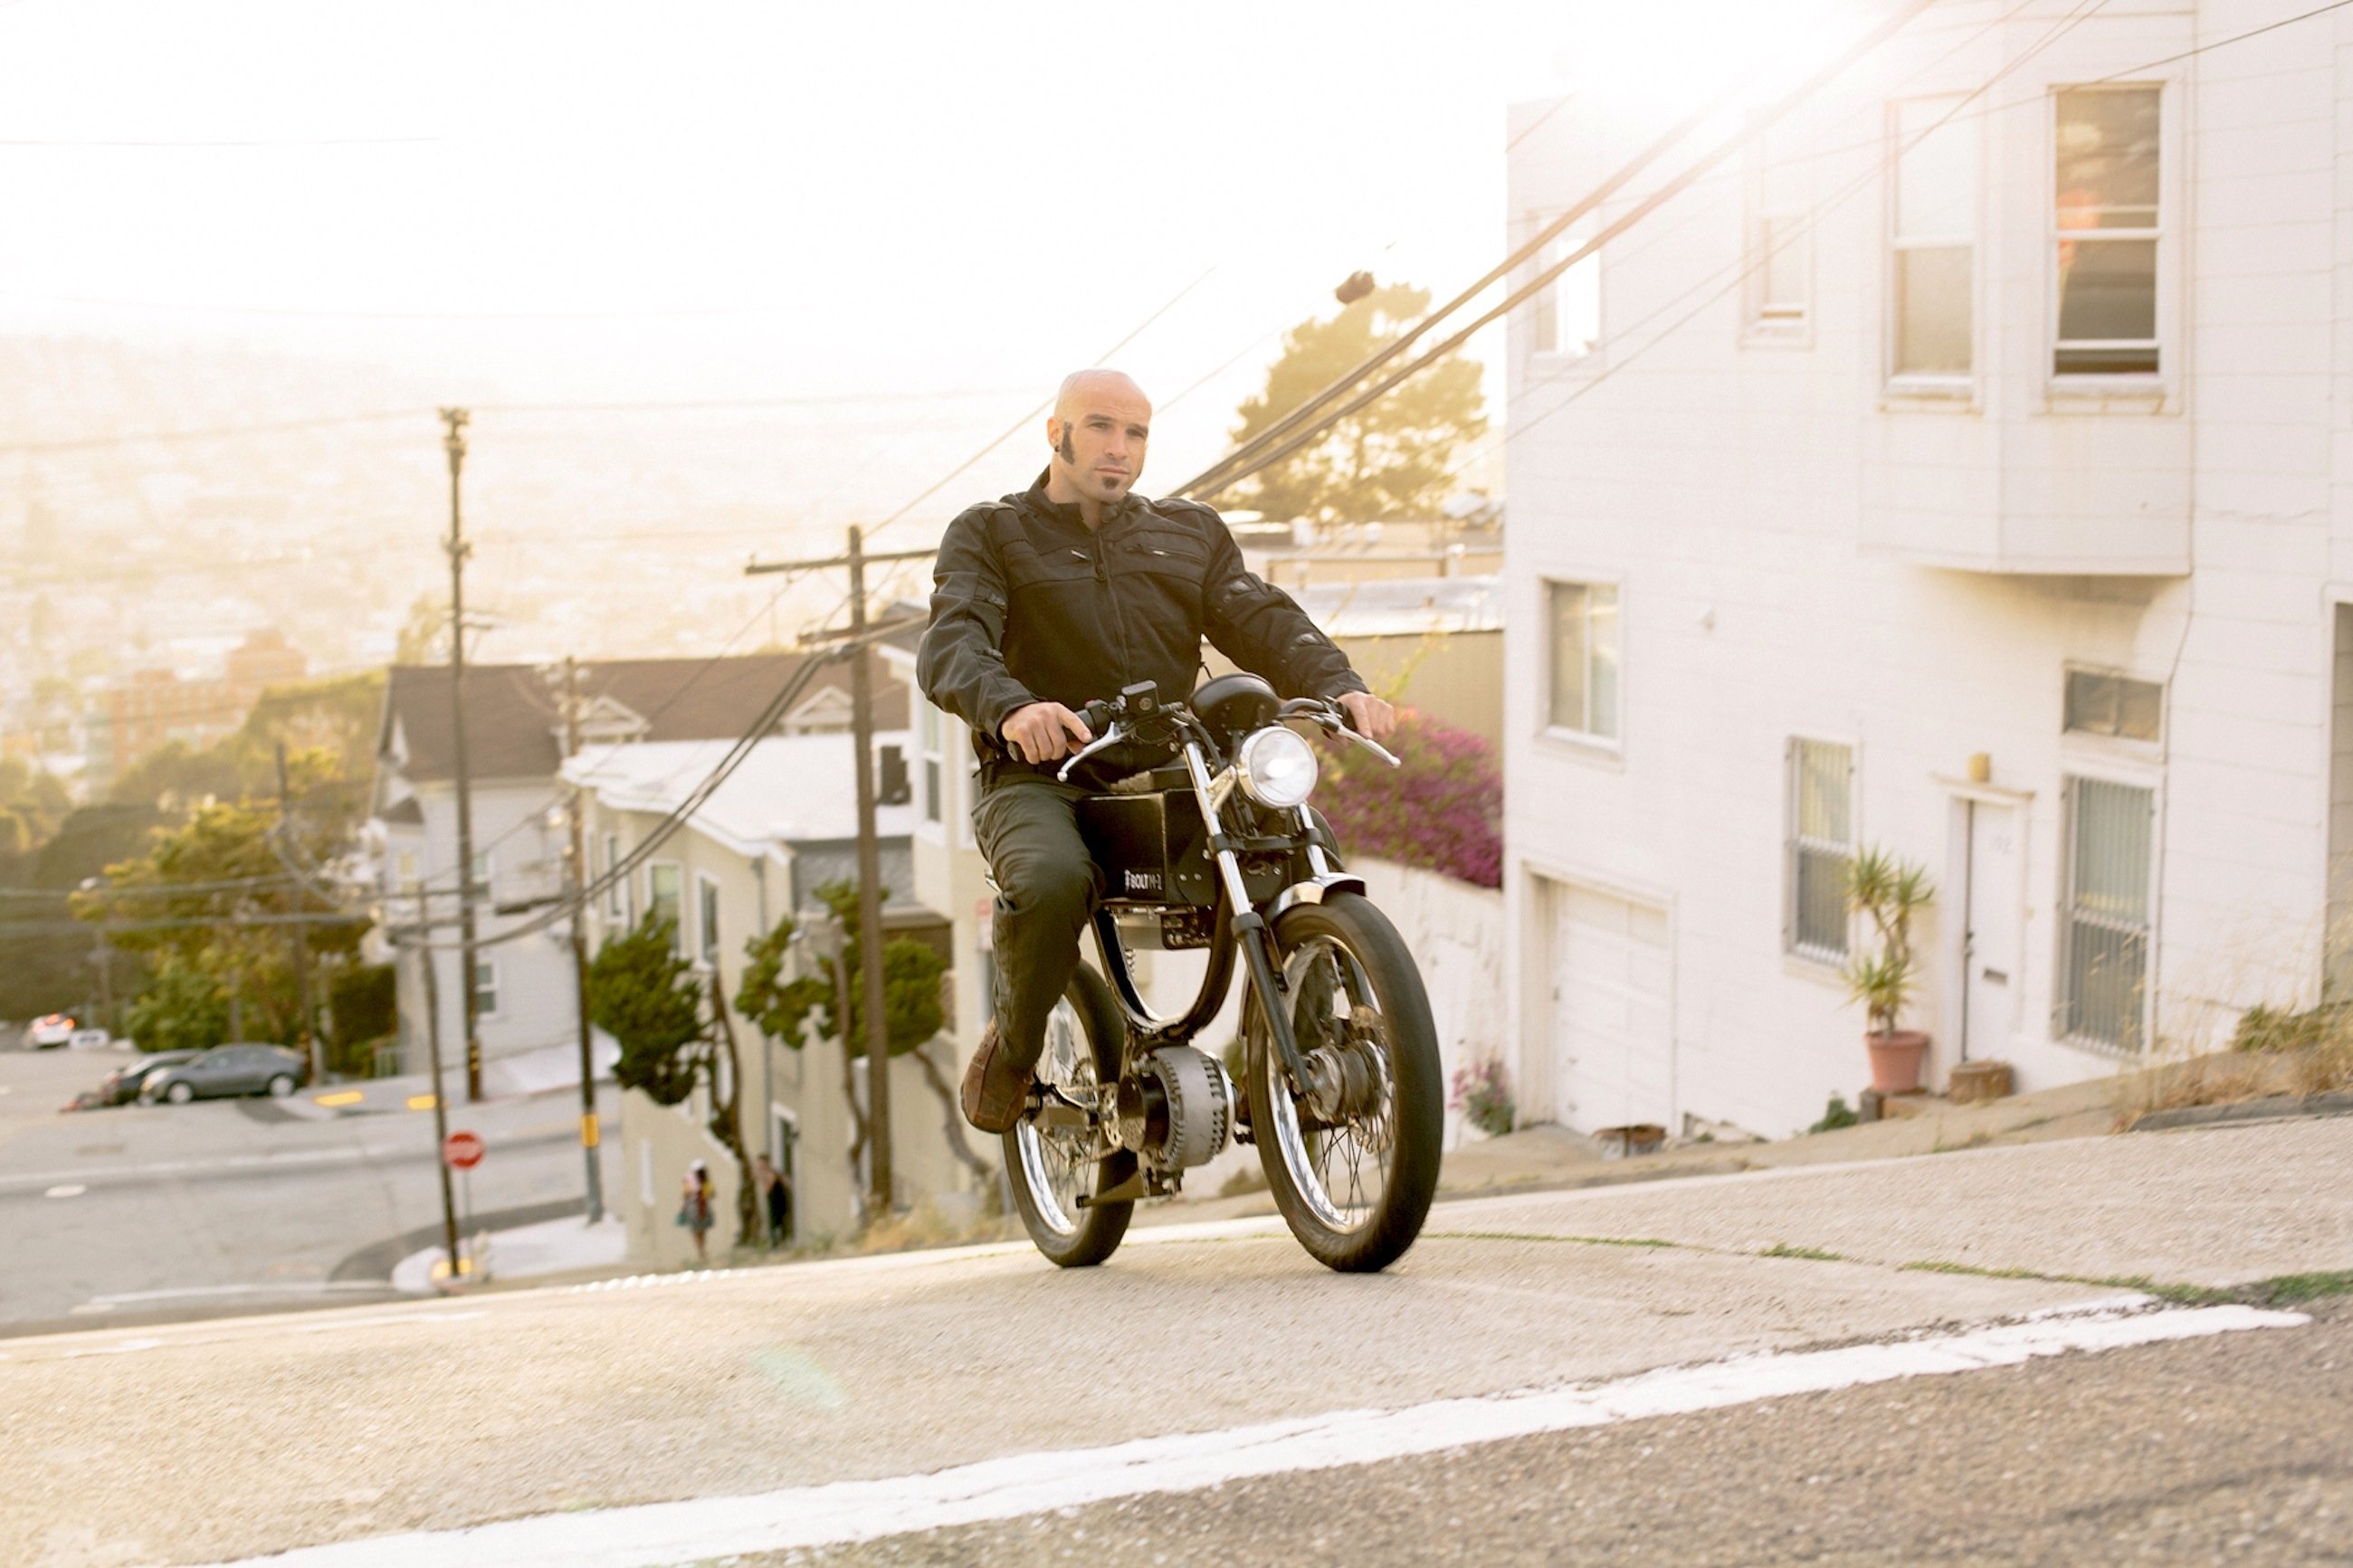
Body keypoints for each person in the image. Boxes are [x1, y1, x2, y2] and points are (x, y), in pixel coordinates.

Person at [917, 368, 1396, 1134]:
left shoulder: (1189, 532)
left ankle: (1300, 1058)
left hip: (1179, 763)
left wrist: (1338, 684)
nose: (1119, 449)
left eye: (1136, 433)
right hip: (1046, 775)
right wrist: (1014, 709)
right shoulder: (992, 533)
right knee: (1047, 882)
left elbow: (1261, 618)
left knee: (1302, 844)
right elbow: (952, 645)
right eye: (1101, 427)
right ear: (1057, 433)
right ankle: (1014, 1044)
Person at [676, 1160, 715, 1265]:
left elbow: (711, 1194)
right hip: (695, 1208)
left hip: (701, 1208)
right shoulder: (691, 1181)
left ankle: (701, 1251)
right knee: (698, 1231)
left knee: (700, 1231)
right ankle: (701, 1251)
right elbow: (686, 1195)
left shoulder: (705, 1182)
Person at [754, 1152, 792, 1248]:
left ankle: (781, 1244)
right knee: (773, 1223)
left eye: (761, 1164)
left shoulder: (772, 1174)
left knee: (778, 1223)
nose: (760, 1167)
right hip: (772, 1202)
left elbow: (767, 1189)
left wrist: (761, 1178)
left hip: (778, 1202)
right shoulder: (769, 1174)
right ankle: (776, 1243)